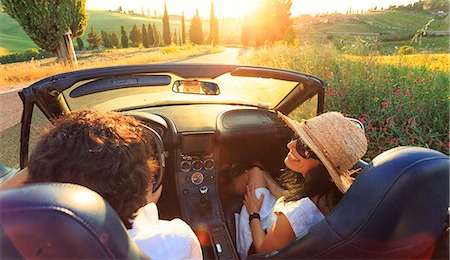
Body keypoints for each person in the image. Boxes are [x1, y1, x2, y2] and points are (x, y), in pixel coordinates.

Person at [0, 109, 202, 260]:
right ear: (147, 182)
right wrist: (143, 203)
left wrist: (49, 162)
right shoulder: (177, 239)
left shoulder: (21, 247)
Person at [231, 111, 368, 258]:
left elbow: (262, 250)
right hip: (277, 227)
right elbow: (297, 202)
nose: (290, 145)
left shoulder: (294, 215)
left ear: (322, 165)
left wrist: (253, 213)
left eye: (303, 148)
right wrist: (269, 182)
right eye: (298, 137)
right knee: (259, 173)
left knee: (254, 173)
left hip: (259, 239)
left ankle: (221, 191)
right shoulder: (328, 194)